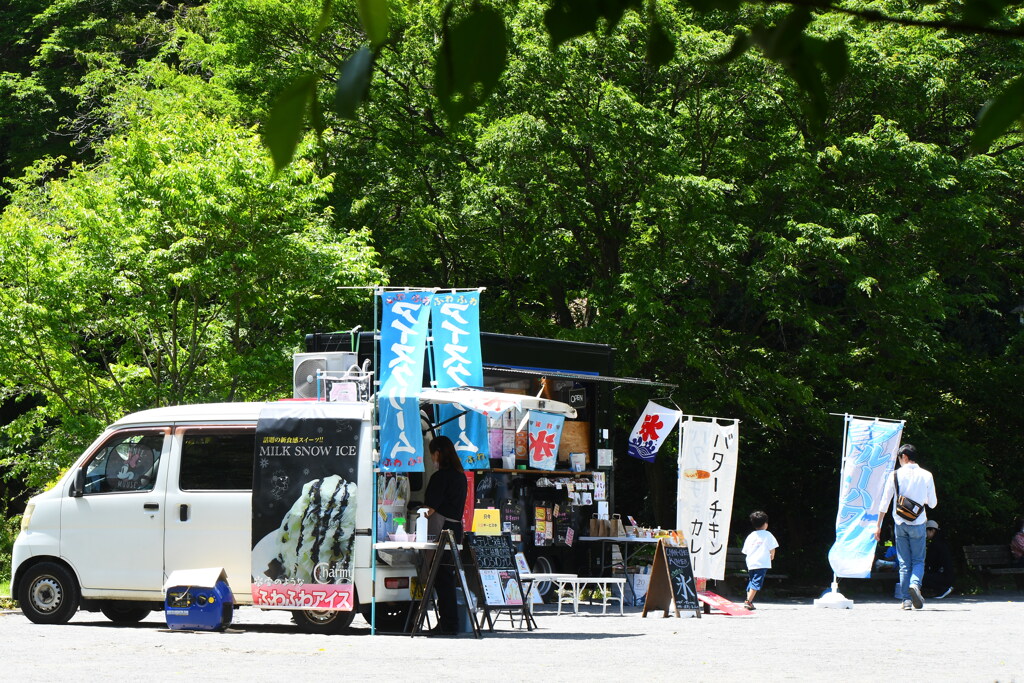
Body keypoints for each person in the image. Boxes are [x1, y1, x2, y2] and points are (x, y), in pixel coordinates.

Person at [875, 443, 938, 611]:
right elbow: (932, 503)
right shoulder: (927, 475)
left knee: (904, 563)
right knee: (918, 560)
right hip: (918, 523)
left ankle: (906, 601)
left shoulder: (894, 475)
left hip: (900, 523)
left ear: (904, 457)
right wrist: (920, 500)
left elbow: (885, 503)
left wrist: (878, 526)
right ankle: (915, 585)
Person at [423, 435, 468, 636]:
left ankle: (449, 624)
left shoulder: (440, 477)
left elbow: (430, 508)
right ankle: (450, 622)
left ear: (438, 453)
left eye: (433, 453)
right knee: (447, 576)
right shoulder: (460, 476)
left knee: (441, 577)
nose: (432, 457)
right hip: (456, 530)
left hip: (441, 531)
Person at [741, 510, 779, 610]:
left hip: (751, 563)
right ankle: (747, 601)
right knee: (756, 582)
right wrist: (772, 556)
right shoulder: (768, 535)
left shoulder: (751, 536)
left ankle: (749, 601)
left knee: (752, 581)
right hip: (761, 563)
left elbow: (745, 551)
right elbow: (772, 548)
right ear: (766, 523)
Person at [923, 520, 954, 599]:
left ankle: (943, 589)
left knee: (921, 578)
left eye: (926, 531)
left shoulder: (935, 544)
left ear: (932, 530)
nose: (925, 534)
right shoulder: (943, 541)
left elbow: (931, 562)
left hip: (943, 576)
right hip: (948, 575)